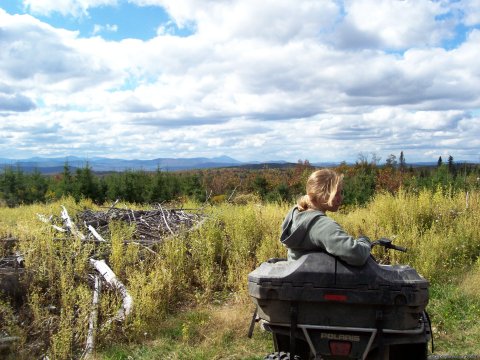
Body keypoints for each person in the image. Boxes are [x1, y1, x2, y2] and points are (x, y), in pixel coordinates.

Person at [280, 168, 371, 266]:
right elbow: (357, 255)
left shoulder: (295, 212)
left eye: (341, 192)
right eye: (335, 194)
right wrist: (364, 241)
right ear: (318, 194)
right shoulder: (322, 226)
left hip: (299, 276)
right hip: (319, 280)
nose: (340, 198)